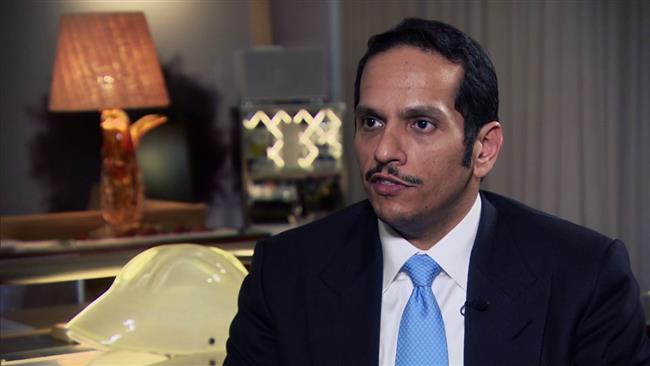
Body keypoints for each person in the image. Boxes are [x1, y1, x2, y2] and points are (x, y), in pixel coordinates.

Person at [224, 18, 650, 366]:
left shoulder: (585, 277)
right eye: (371, 122)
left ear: (483, 149)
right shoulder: (283, 274)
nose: (385, 150)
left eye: (421, 124)